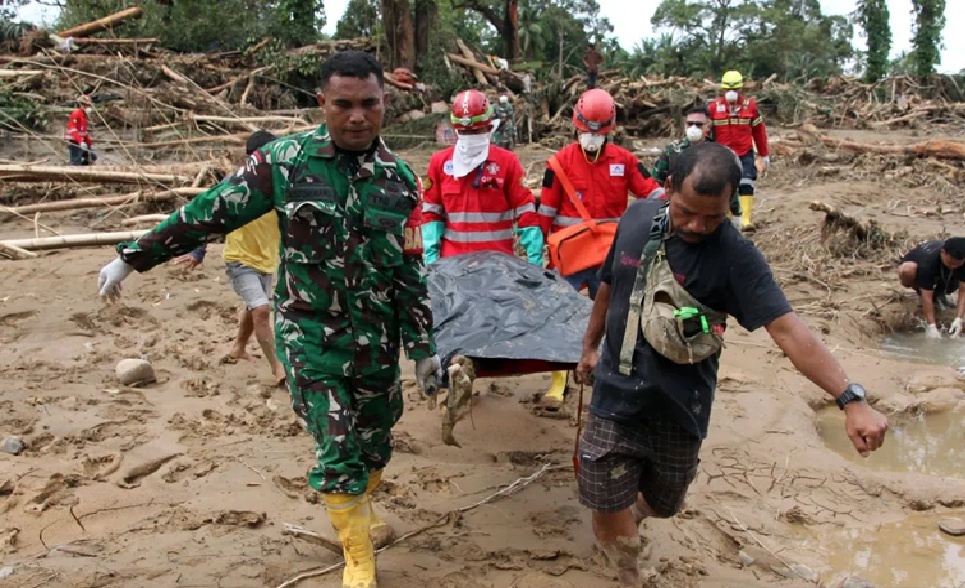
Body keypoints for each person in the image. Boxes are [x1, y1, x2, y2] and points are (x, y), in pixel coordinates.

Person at [96, 50, 442, 588]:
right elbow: (210, 211)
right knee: (338, 447)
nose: (357, 117)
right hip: (310, 337)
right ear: (321, 103)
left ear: (385, 103)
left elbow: (410, 272)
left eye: (369, 104)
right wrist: (131, 257)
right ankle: (359, 563)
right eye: (343, 104)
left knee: (376, 444)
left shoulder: (399, 179)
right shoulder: (284, 162)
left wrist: (423, 349)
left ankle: (359, 515)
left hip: (376, 341)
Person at [574, 141, 888, 586]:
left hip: (679, 406)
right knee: (605, 501)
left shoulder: (736, 258)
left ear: (730, 205)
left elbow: (788, 330)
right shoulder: (637, 219)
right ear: (667, 189)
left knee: (664, 502)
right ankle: (630, 574)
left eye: (713, 216)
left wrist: (850, 398)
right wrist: (590, 346)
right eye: (686, 212)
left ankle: (635, 510)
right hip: (615, 393)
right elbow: (609, 285)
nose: (697, 226)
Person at [536, 88, 662, 409]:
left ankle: (609, 377)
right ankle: (558, 383)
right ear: (575, 125)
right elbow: (544, 216)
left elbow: (652, 193)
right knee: (559, 317)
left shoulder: (625, 161)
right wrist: (538, 257)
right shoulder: (559, 164)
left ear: (609, 130)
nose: (591, 138)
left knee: (613, 317)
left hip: (610, 256)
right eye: (586, 131)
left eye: (598, 132)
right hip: (569, 257)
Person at [172, 129, 286, 386]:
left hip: (266, 261)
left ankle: (238, 347)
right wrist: (198, 252)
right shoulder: (235, 187)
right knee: (261, 308)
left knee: (253, 306)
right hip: (239, 259)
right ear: (253, 159)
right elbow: (210, 216)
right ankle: (278, 368)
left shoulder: (281, 187)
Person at [422, 88, 542, 266]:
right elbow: (431, 215)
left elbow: (525, 214)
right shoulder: (440, 164)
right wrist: (431, 261)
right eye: (464, 132)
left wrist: (535, 262)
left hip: (497, 267)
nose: (470, 137)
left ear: (488, 127)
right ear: (456, 130)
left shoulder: (507, 163)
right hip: (453, 267)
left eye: (475, 131)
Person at [706, 70, 770, 232]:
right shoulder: (714, 108)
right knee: (725, 187)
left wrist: (764, 153)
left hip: (744, 152)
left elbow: (758, 131)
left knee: (746, 183)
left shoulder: (750, 106)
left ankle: (746, 220)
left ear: (741, 89)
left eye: (735, 90)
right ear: (723, 90)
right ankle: (727, 219)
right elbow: (707, 133)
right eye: (728, 90)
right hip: (722, 155)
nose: (731, 93)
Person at [652, 105, 741, 218]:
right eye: (690, 124)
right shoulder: (672, 151)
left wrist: (736, 213)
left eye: (699, 125)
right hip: (677, 210)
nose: (693, 128)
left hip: (710, 211)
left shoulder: (720, 154)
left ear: (708, 127)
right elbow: (656, 182)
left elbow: (730, 186)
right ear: (685, 125)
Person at [898, 237, 965, 338]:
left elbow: (963, 290)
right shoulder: (928, 261)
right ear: (943, 252)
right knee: (909, 270)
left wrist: (959, 319)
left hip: (946, 278)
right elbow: (926, 296)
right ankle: (921, 290)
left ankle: (940, 294)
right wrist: (931, 326)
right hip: (917, 273)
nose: (953, 267)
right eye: (950, 263)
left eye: (957, 265)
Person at [65, 94, 95, 166]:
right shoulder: (76, 114)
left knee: (91, 157)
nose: (88, 107)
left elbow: (84, 132)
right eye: (86, 105)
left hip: (82, 141)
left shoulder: (84, 116)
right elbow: (73, 130)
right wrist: (80, 142)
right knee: (76, 160)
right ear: (81, 105)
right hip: (74, 140)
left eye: (88, 105)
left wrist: (89, 143)